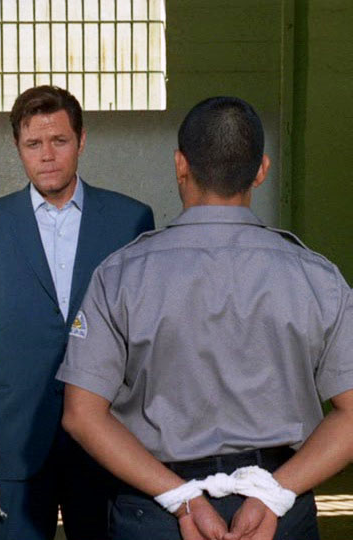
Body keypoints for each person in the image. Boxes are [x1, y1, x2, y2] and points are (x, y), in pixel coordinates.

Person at [57, 96, 353, 540]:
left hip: (156, 509)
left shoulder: (121, 275)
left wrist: (182, 498)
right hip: (276, 511)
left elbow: (82, 415)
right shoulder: (316, 277)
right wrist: (273, 494)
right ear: (261, 170)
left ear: (180, 165)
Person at [0, 85, 155, 540]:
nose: (46, 155)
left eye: (59, 141)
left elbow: (146, 342)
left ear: (81, 141)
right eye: (33, 144)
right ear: (17, 148)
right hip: (13, 442)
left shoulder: (130, 220)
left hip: (108, 439)